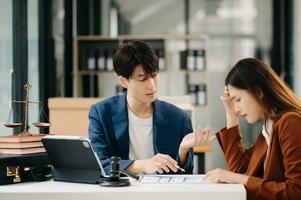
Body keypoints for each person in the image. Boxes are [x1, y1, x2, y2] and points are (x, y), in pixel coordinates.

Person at [187, 58, 301, 199]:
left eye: (238, 100)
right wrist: (230, 113)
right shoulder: (269, 126)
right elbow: (239, 168)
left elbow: (296, 192)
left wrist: (238, 179)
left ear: (258, 92)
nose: (237, 109)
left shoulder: (290, 122)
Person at [88, 40, 194, 175]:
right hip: (120, 193)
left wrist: (183, 152)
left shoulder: (178, 117)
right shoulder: (101, 113)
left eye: (154, 75)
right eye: (142, 79)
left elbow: (187, 173)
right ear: (124, 81)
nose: (152, 85)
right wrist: (140, 165)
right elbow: (99, 163)